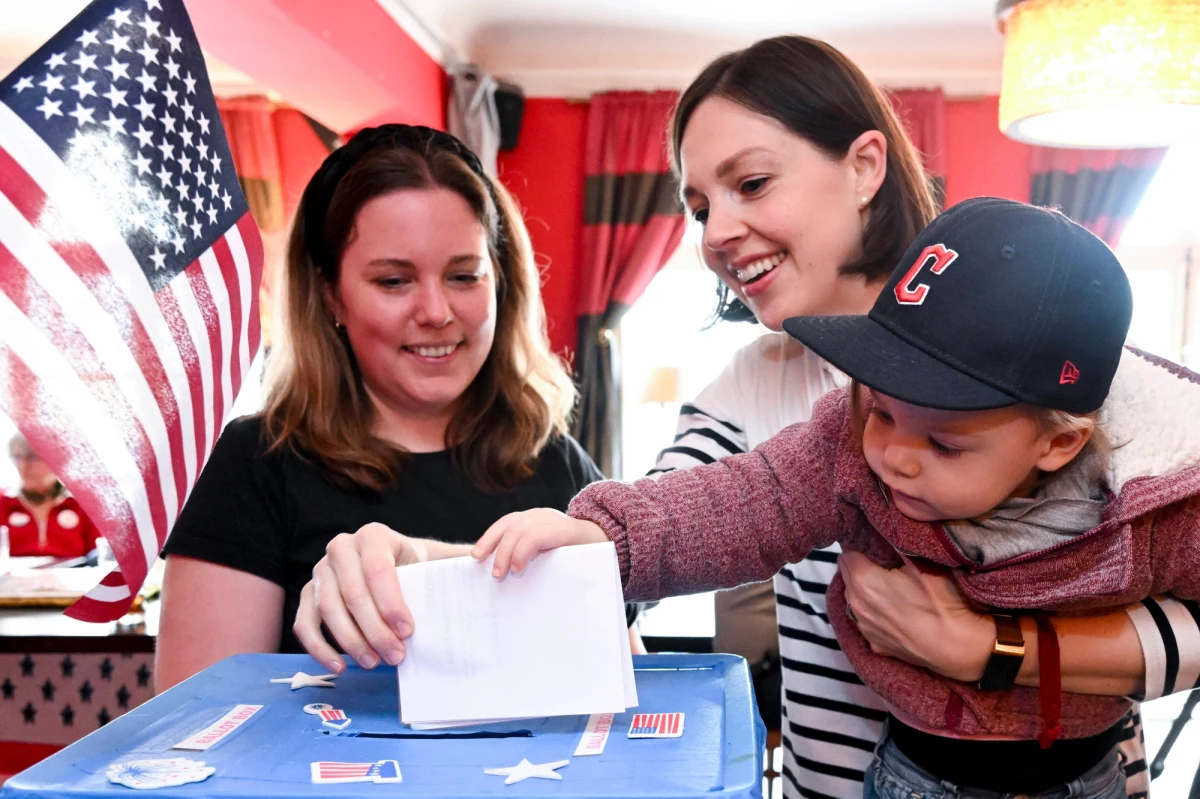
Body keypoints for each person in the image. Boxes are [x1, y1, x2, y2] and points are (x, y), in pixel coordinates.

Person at [291, 37, 1195, 799]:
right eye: (697, 205)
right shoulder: (770, 408)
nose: (717, 231)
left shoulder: (1093, 397)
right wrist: (427, 566)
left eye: (751, 183)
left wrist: (993, 649)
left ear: (865, 166)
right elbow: (660, 532)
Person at [476, 198, 1200, 799]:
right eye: (880, 410)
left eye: (944, 444)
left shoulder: (1154, 502)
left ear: (1058, 443)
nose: (892, 455)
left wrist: (995, 647)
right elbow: (740, 500)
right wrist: (609, 539)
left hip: (1094, 777)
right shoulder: (845, 447)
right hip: (917, 775)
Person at [155, 125, 638, 692]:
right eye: (393, 280)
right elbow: (198, 726)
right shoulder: (257, 463)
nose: (436, 311)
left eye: (463, 276)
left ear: (501, 282)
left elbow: (621, 674)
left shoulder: (555, 459)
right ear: (331, 294)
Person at [1, 433, 101, 558]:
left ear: (57, 461)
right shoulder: (3, 501)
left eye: (33, 458)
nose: (23, 466)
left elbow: (97, 553)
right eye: (18, 458)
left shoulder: (82, 502)